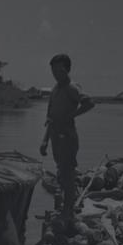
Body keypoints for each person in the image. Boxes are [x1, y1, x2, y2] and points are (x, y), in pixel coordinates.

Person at [39, 53, 94, 224]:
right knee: (61, 173)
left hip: (68, 138)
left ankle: (68, 213)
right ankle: (65, 208)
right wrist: (45, 140)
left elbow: (89, 103)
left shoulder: (72, 87)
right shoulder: (55, 90)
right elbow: (50, 118)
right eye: (53, 70)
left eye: (59, 69)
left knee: (67, 174)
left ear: (66, 69)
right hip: (55, 137)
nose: (55, 73)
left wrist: (71, 115)